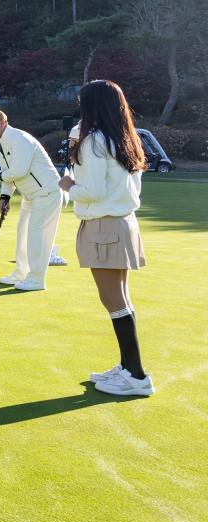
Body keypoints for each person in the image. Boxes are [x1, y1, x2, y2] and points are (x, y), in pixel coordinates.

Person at [58, 80, 154, 397]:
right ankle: (129, 368)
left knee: (113, 300)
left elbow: (95, 191)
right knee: (120, 299)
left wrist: (69, 186)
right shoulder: (125, 138)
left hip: (104, 226)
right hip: (122, 223)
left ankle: (136, 375)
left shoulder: (94, 142)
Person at [0, 109, 62, 291]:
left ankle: (37, 280)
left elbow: (17, 172)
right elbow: (8, 177)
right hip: (29, 196)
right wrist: (4, 197)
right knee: (23, 233)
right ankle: (21, 273)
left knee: (36, 235)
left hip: (47, 192)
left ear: (2, 123)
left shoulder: (20, 139)